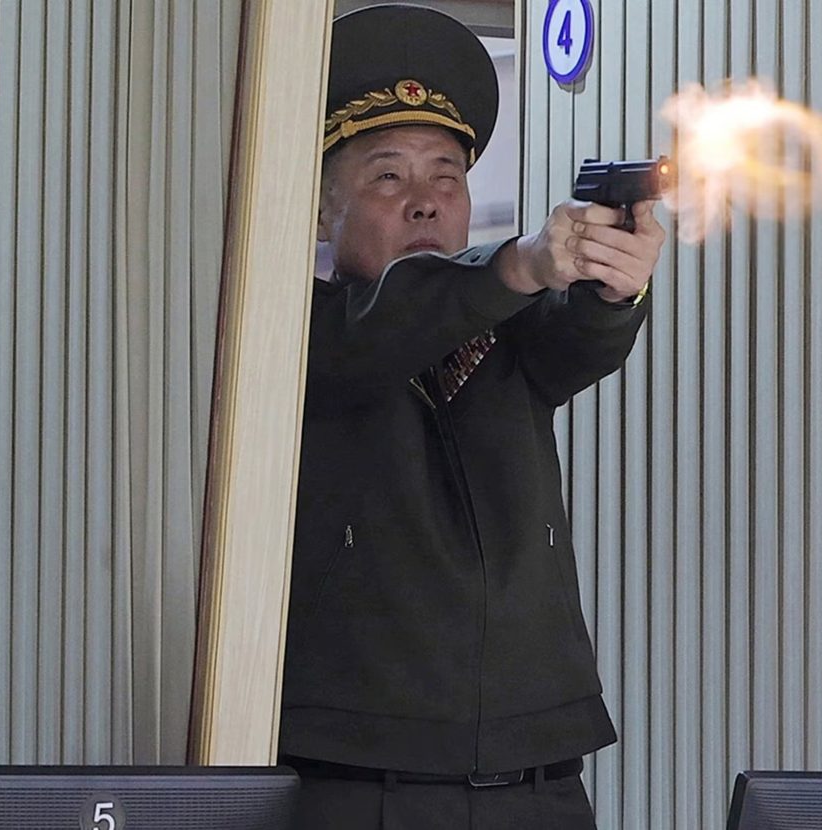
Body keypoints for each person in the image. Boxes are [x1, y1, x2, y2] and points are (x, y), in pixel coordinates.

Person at [279, 5, 667, 828]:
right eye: (388, 176)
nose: (426, 202)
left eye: (447, 177)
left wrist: (613, 283)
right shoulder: (289, 328)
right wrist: (519, 263)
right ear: (317, 213)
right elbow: (383, 326)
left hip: (539, 777)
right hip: (360, 779)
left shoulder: (505, 321)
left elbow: (576, 345)